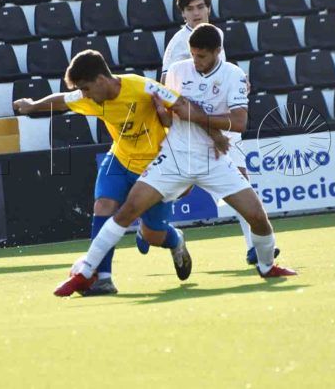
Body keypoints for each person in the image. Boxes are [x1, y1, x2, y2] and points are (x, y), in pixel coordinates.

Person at [55, 24, 296, 297]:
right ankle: (85, 273)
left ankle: (267, 266)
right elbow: (172, 112)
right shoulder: (178, 71)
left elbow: (239, 123)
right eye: (192, 54)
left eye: (201, 56)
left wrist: (210, 129)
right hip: (173, 157)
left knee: (257, 216)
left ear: (218, 52)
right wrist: (166, 114)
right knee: (127, 210)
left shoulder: (234, 75)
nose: (195, 61)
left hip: (213, 159)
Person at [14, 50, 200, 295]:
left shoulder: (142, 87)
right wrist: (33, 105)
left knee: (153, 235)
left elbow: (182, 105)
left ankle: (176, 240)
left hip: (155, 167)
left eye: (86, 89)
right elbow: (62, 100)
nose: (83, 95)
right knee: (103, 205)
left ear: (101, 80)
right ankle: (104, 279)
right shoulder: (91, 97)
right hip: (119, 160)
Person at [158, 0, 280, 266]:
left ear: (209, 8)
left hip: (220, 120)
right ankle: (155, 226)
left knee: (241, 181)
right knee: (181, 188)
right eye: (190, 9)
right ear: (182, 13)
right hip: (195, 126)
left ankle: (253, 246)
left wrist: (238, 83)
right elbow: (165, 86)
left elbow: (217, 72)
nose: (196, 13)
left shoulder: (214, 35)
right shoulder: (178, 44)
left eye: (200, 7)